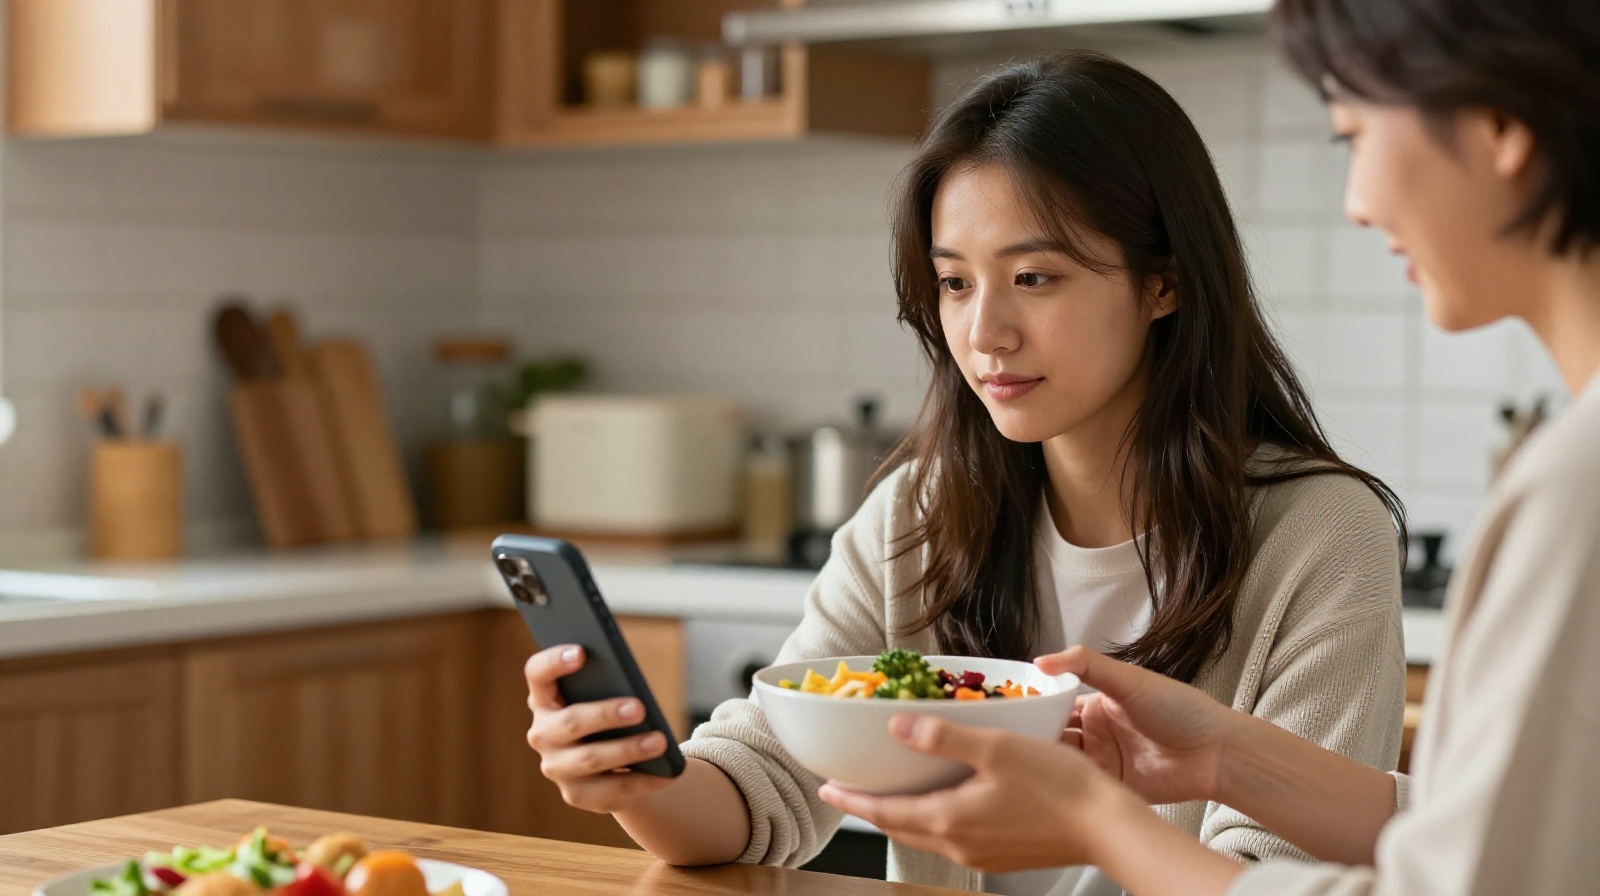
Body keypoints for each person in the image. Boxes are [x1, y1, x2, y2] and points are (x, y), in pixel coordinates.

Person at [522, 51, 1410, 894]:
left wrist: (1092, 819)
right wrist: (632, 772)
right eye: (954, 283)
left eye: (1033, 277)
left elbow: (1282, 878)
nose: (985, 333)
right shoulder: (918, 515)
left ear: (1163, 285)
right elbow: (756, 792)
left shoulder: (1319, 537)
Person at [817, 1, 1600, 894]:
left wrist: (1095, 820)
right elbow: (1499, 850)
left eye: (1352, 135)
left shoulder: (1572, 487)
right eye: (954, 281)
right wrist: (1229, 755)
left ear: (1498, 127)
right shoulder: (1572, 475)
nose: (1356, 203)